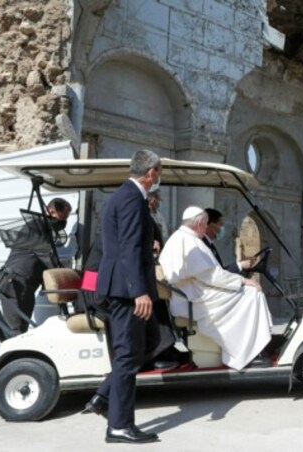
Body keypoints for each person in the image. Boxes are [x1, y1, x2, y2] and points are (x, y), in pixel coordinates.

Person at [89, 149, 166, 444]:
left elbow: (132, 246)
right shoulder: (133, 198)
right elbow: (129, 249)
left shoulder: (125, 196)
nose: (158, 178)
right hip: (125, 290)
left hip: (124, 285)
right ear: (151, 173)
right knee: (127, 354)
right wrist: (140, 293)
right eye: (158, 172)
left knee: (150, 341)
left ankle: (104, 396)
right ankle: (119, 425)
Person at [159, 206, 273, 370]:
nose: (206, 229)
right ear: (199, 224)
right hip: (194, 299)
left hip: (192, 293)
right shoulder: (189, 242)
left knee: (248, 294)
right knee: (252, 294)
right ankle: (248, 352)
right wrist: (242, 281)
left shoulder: (180, 238)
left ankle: (253, 345)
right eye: (205, 225)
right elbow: (212, 275)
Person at [0, 198, 72, 336]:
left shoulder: (43, 229)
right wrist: (70, 277)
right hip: (15, 284)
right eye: (60, 218)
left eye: (65, 219)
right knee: (17, 332)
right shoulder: (35, 230)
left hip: (25, 285)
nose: (62, 223)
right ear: (50, 211)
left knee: (21, 330)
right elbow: (48, 258)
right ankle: (14, 357)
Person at [202, 208, 252, 274]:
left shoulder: (209, 244)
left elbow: (221, 270)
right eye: (220, 225)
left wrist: (240, 264)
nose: (221, 229)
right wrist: (240, 265)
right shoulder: (203, 245)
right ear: (211, 225)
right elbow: (216, 274)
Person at [148, 189, 168, 256]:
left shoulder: (158, 214)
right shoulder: (145, 214)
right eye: (157, 200)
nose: (158, 202)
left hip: (160, 249)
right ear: (153, 199)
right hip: (151, 250)